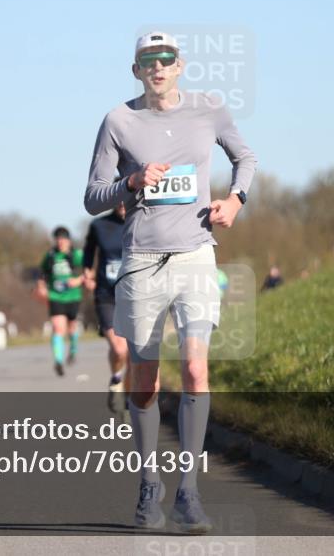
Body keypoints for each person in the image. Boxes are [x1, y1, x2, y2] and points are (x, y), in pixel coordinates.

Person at [84, 31, 257, 533]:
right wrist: (131, 182)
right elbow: (93, 196)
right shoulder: (118, 120)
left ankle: (189, 492)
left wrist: (236, 200)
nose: (157, 67)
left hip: (196, 256)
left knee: (197, 371)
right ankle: (148, 484)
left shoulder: (209, 109)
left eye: (165, 59)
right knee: (145, 380)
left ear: (180, 65)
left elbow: (245, 158)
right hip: (141, 260)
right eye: (147, 61)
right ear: (136, 70)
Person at [82, 199, 130, 414]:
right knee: (119, 348)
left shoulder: (141, 221)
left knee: (131, 353)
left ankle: (128, 399)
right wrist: (86, 270)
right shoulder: (99, 225)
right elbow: (88, 251)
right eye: (118, 200)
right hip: (106, 295)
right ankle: (116, 379)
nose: (122, 204)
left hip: (133, 295)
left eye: (125, 200)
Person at [35, 226, 84, 376]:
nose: (61, 242)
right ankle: (58, 360)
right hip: (55, 296)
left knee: (72, 327)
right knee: (58, 328)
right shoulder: (50, 256)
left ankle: (73, 349)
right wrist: (41, 286)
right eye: (58, 239)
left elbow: (90, 270)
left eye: (63, 239)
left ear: (69, 240)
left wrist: (78, 280)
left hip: (73, 296)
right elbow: (41, 274)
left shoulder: (76, 255)